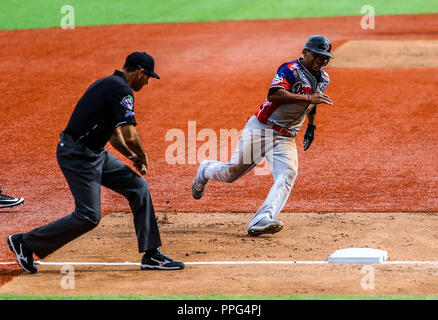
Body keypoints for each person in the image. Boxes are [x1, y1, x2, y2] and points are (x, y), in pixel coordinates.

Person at [7, 52, 184, 273]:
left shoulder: (109, 84)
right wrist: (143, 154)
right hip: (77, 155)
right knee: (88, 216)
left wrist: (131, 157)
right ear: (141, 73)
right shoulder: (121, 90)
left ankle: (151, 255)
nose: (147, 82)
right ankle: (25, 242)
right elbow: (130, 135)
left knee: (138, 187)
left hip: (95, 154)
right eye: (148, 77)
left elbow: (113, 135)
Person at [192, 35, 334, 236]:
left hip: (286, 137)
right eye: (317, 55)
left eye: (325, 57)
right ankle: (206, 170)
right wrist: (309, 97)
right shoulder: (290, 69)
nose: (321, 60)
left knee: (288, 174)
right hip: (262, 128)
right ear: (305, 52)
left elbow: (313, 103)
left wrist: (311, 126)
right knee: (232, 173)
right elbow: (274, 93)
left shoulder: (324, 78)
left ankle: (262, 219)